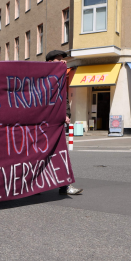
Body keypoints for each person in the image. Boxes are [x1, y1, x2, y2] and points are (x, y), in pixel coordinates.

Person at [46, 50, 83, 195]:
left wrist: (66, 114)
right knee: (39, 156)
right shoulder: (39, 77)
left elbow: (64, 98)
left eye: (63, 59)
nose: (63, 62)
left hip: (56, 125)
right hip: (41, 125)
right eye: (58, 60)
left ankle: (65, 185)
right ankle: (34, 186)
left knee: (60, 154)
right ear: (50, 62)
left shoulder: (60, 78)